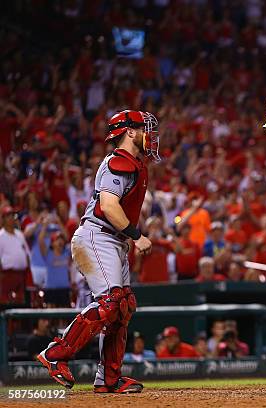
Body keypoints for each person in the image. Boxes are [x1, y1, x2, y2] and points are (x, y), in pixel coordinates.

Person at [37, 110, 161, 393]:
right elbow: (108, 205)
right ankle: (55, 354)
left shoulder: (134, 163)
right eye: (144, 128)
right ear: (129, 131)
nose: (149, 134)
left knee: (122, 307)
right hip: (97, 235)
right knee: (110, 301)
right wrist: (137, 235)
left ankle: (109, 379)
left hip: (113, 240)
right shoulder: (119, 161)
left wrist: (127, 237)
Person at [0, 205, 33, 304]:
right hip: (7, 275)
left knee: (21, 303)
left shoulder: (20, 234)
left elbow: (27, 253)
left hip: (21, 275)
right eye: (8, 216)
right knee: (7, 303)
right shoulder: (1, 236)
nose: (11, 218)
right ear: (3, 219)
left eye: (12, 215)